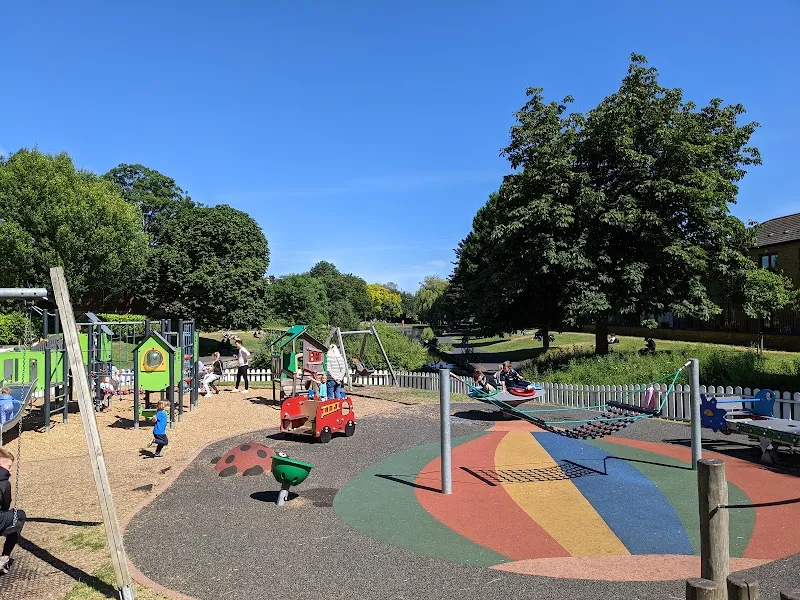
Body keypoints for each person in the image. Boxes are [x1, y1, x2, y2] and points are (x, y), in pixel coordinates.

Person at [0, 446, 26, 575]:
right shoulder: (4, 482)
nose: (10, 470)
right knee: (19, 516)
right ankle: (4, 556)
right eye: (9, 466)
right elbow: (5, 505)